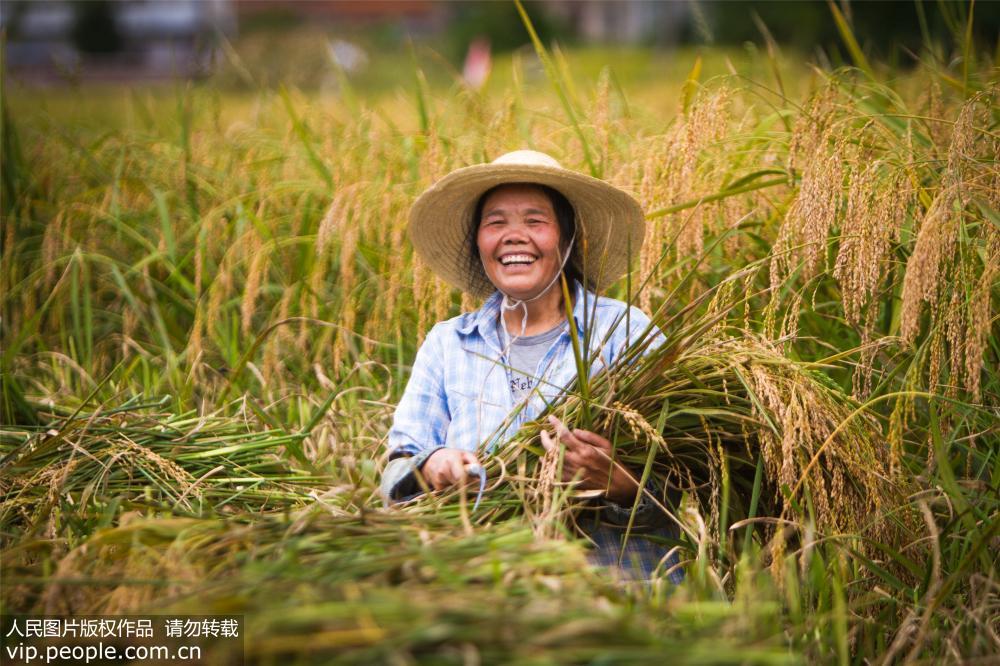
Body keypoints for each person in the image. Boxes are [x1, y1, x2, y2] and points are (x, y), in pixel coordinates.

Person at [380, 150, 683, 584]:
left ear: (567, 240)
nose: (514, 236)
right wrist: (431, 466)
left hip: (613, 594)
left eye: (535, 221)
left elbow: (694, 480)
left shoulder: (627, 334)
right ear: (479, 243)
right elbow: (396, 467)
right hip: (482, 590)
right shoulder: (448, 344)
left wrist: (621, 485)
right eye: (496, 222)